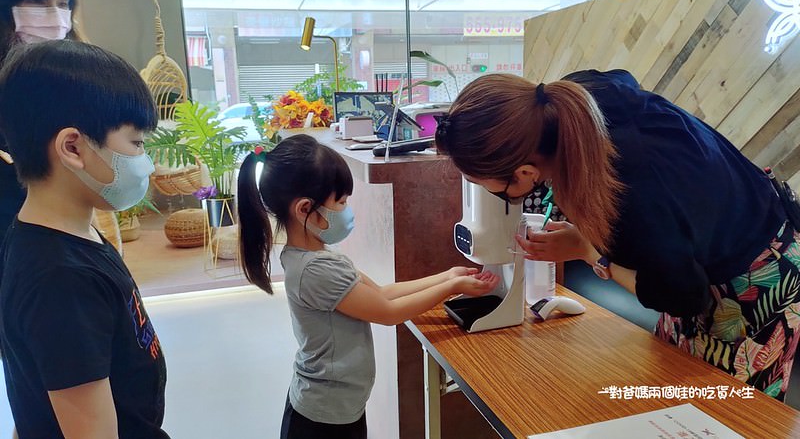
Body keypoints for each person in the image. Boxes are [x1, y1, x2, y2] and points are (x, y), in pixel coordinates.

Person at [434, 69, 800, 401]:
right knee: (672, 387)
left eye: (492, 190)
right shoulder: (571, 99)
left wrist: (587, 250)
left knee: (728, 413)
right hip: (708, 246)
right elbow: (623, 77)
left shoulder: (621, 191)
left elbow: (685, 296)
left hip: (758, 279)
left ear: (526, 173)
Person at [237, 135, 499, 438]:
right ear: (304, 208)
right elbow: (387, 312)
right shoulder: (316, 270)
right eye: (341, 202)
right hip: (323, 419)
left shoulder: (316, 256)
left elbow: (382, 293)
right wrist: (451, 288)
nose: (347, 210)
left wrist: (447, 276)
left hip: (337, 406)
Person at [0, 41, 169, 438]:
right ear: (73, 147)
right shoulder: (59, 279)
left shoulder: (74, 232)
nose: (146, 161)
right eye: (136, 143)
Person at [0, 0, 86, 246]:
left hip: (65, 220)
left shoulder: (78, 73)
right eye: (38, 2)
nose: (54, 15)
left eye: (62, 3)